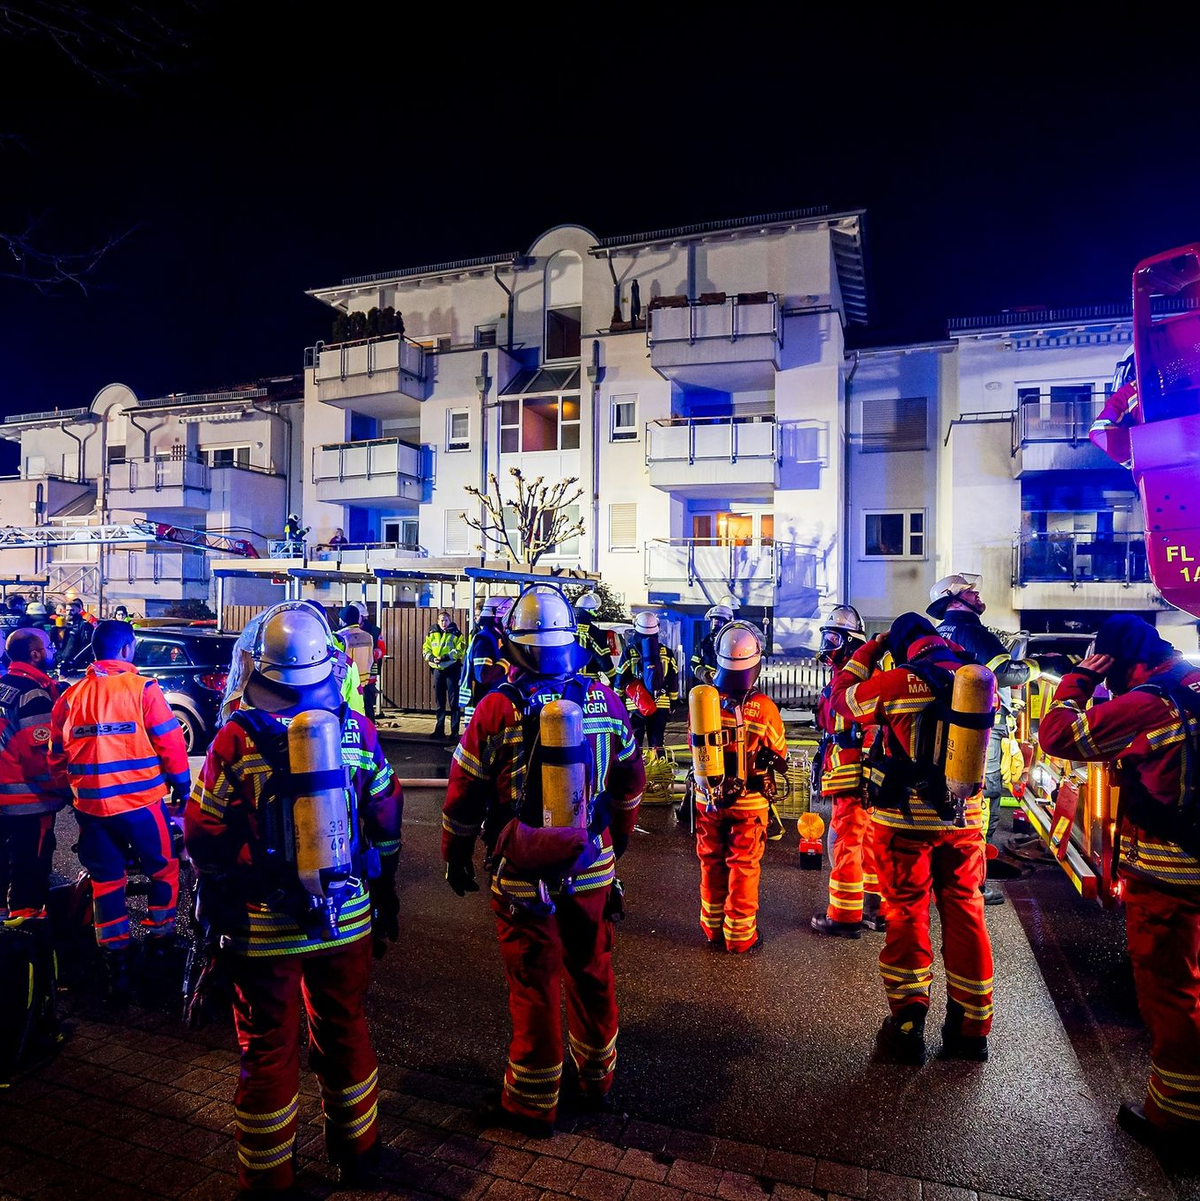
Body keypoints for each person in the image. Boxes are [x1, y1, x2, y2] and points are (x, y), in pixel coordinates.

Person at [186, 603, 402, 1194]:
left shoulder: (236, 737)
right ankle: (358, 1153)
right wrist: (382, 886)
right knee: (346, 1029)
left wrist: (220, 889)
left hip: (265, 929)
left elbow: (203, 830)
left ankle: (267, 1178)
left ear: (262, 670)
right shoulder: (356, 730)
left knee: (268, 1049)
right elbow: (385, 814)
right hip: (346, 917)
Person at [442, 584, 644, 1135]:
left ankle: (531, 1104)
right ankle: (597, 1081)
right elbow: (630, 782)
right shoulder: (605, 700)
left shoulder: (497, 708)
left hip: (527, 877)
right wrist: (615, 841)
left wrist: (456, 855)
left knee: (535, 986)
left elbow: (463, 795)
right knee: (593, 971)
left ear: (517, 646)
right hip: (593, 867)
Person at [1038, 615, 1200, 1154]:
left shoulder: (1149, 703)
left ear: (1119, 661)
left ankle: (1176, 1121)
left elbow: (1060, 735)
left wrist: (1080, 679)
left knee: (1172, 990)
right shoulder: (1193, 681)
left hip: (1171, 877)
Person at [830, 611, 994, 1065]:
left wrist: (871, 648)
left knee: (906, 915)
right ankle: (970, 1031)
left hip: (904, 825)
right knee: (966, 913)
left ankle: (907, 1026)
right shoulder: (973, 677)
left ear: (902, 648)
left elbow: (840, 701)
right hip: (965, 822)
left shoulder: (897, 682)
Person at [48, 620, 191, 1003]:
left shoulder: (71, 695)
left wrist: (71, 791)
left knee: (106, 880)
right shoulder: (142, 689)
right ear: (127, 650)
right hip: (140, 806)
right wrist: (181, 784)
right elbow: (170, 741)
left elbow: (56, 756)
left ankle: (117, 962)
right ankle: (160, 943)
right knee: (163, 869)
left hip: (91, 809)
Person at [927, 572, 1046, 907]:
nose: (978, 594)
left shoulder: (940, 632)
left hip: (949, 728)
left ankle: (948, 874)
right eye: (971, 591)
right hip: (978, 730)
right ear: (954, 599)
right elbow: (1006, 671)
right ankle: (973, 881)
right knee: (983, 797)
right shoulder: (971, 631)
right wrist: (1042, 666)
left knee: (953, 802)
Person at [691, 621, 789, 952]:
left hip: (708, 800)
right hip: (749, 805)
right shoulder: (764, 707)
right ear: (755, 662)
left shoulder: (704, 702)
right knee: (743, 866)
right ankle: (739, 935)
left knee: (711, 862)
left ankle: (712, 928)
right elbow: (780, 753)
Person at [810, 605, 884, 938]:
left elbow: (873, 729)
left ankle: (844, 915)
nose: (827, 645)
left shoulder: (864, 678)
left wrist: (868, 775)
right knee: (868, 840)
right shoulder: (847, 676)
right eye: (826, 637)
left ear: (852, 643)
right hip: (851, 771)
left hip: (853, 774)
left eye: (834, 638)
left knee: (845, 841)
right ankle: (874, 909)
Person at [0, 629, 70, 917]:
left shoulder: (5, 684)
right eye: (49, 646)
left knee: (5, 864)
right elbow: (40, 759)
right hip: (29, 802)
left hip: (5, 796)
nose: (53, 650)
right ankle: (27, 934)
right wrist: (63, 790)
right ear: (35, 654)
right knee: (30, 869)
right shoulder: (33, 695)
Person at [221, 601, 365, 725]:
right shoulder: (346, 663)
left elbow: (250, 709)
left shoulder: (271, 660)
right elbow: (356, 711)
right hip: (332, 731)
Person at [615, 611, 678, 753]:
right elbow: (673, 680)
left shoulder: (629, 651)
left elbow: (619, 681)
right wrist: (672, 703)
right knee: (657, 742)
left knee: (634, 743)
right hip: (661, 704)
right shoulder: (666, 652)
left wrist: (619, 704)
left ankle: (634, 773)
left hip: (637, 705)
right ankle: (660, 772)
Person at [459, 596, 510, 722]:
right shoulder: (484, 639)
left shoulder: (496, 637)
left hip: (492, 702)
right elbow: (483, 676)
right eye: (509, 616)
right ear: (497, 617)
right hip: (482, 707)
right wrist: (507, 660)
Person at [423, 610, 465, 740]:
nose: (444, 623)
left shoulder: (457, 633)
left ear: (450, 620)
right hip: (437, 670)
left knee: (454, 702)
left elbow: (460, 650)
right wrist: (432, 658)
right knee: (440, 702)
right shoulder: (431, 633)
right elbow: (425, 649)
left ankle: (454, 732)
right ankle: (439, 730)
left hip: (452, 670)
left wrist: (445, 657)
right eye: (441, 620)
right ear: (437, 621)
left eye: (446, 620)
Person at [338, 604, 377, 721]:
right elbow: (371, 659)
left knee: (347, 715)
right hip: (365, 681)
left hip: (347, 684)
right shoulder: (368, 636)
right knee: (366, 713)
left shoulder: (340, 637)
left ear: (343, 619)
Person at [573, 592, 615, 682]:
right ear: (590, 611)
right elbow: (602, 656)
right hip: (588, 681)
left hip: (565, 679)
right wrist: (614, 679)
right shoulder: (593, 631)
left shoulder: (565, 627)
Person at [690, 602, 734, 686]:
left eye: (719, 622)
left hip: (729, 685)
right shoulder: (705, 642)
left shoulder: (735, 642)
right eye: (714, 621)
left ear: (728, 623)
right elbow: (693, 663)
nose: (715, 625)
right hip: (707, 687)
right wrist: (703, 673)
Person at [58, 598, 93, 668]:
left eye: (72, 610)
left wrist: (75, 660)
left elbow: (86, 646)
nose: (69, 613)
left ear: (78, 611)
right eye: (67, 610)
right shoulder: (65, 625)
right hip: (64, 663)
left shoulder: (84, 625)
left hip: (77, 665)